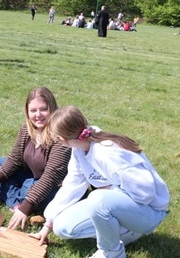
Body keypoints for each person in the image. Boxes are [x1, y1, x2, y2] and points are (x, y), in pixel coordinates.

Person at [31, 106, 170, 258]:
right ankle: (123, 234)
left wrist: (110, 192)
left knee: (98, 199)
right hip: (118, 205)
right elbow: (72, 185)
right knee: (62, 227)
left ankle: (112, 251)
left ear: (63, 140)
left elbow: (145, 191)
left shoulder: (106, 152)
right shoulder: (79, 149)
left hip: (149, 212)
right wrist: (48, 224)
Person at [0, 87, 71, 230]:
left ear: (52, 109)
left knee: (29, 189)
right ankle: (17, 203)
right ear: (27, 111)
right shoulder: (27, 129)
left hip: (53, 185)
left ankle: (21, 203)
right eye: (33, 110)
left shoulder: (60, 137)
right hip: (30, 174)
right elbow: (14, 158)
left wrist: (27, 206)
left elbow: (50, 177)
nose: (38, 115)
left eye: (43, 109)